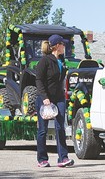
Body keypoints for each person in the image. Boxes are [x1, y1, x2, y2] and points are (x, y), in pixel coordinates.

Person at [35, 34, 74, 168]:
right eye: (63, 44)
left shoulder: (62, 60)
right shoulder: (45, 61)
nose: (64, 46)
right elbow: (38, 80)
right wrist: (45, 97)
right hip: (44, 99)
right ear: (57, 45)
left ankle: (63, 158)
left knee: (60, 127)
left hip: (59, 98)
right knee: (43, 130)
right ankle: (42, 159)